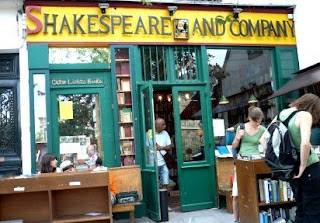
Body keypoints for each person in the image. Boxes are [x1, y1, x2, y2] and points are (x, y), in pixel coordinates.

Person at [277, 94, 320, 223]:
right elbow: (305, 143)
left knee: (300, 209)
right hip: (309, 168)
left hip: (292, 170)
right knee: (314, 210)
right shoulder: (305, 115)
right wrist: (303, 164)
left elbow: (265, 139)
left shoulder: (281, 115)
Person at [231, 106, 266, 223]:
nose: (258, 123)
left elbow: (267, 147)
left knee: (254, 192)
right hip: (242, 162)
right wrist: (237, 137)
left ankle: (254, 218)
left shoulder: (262, 129)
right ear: (250, 118)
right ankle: (236, 220)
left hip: (256, 161)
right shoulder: (241, 128)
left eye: (260, 121)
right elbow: (234, 146)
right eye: (256, 121)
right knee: (236, 194)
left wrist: (264, 145)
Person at [146, 118, 172, 189]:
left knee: (165, 178)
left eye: (165, 124)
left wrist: (162, 148)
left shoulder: (165, 133)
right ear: (157, 125)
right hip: (153, 162)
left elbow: (169, 147)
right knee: (154, 181)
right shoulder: (150, 133)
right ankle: (156, 198)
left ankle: (164, 197)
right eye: (163, 124)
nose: (165, 126)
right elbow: (146, 147)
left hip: (163, 161)